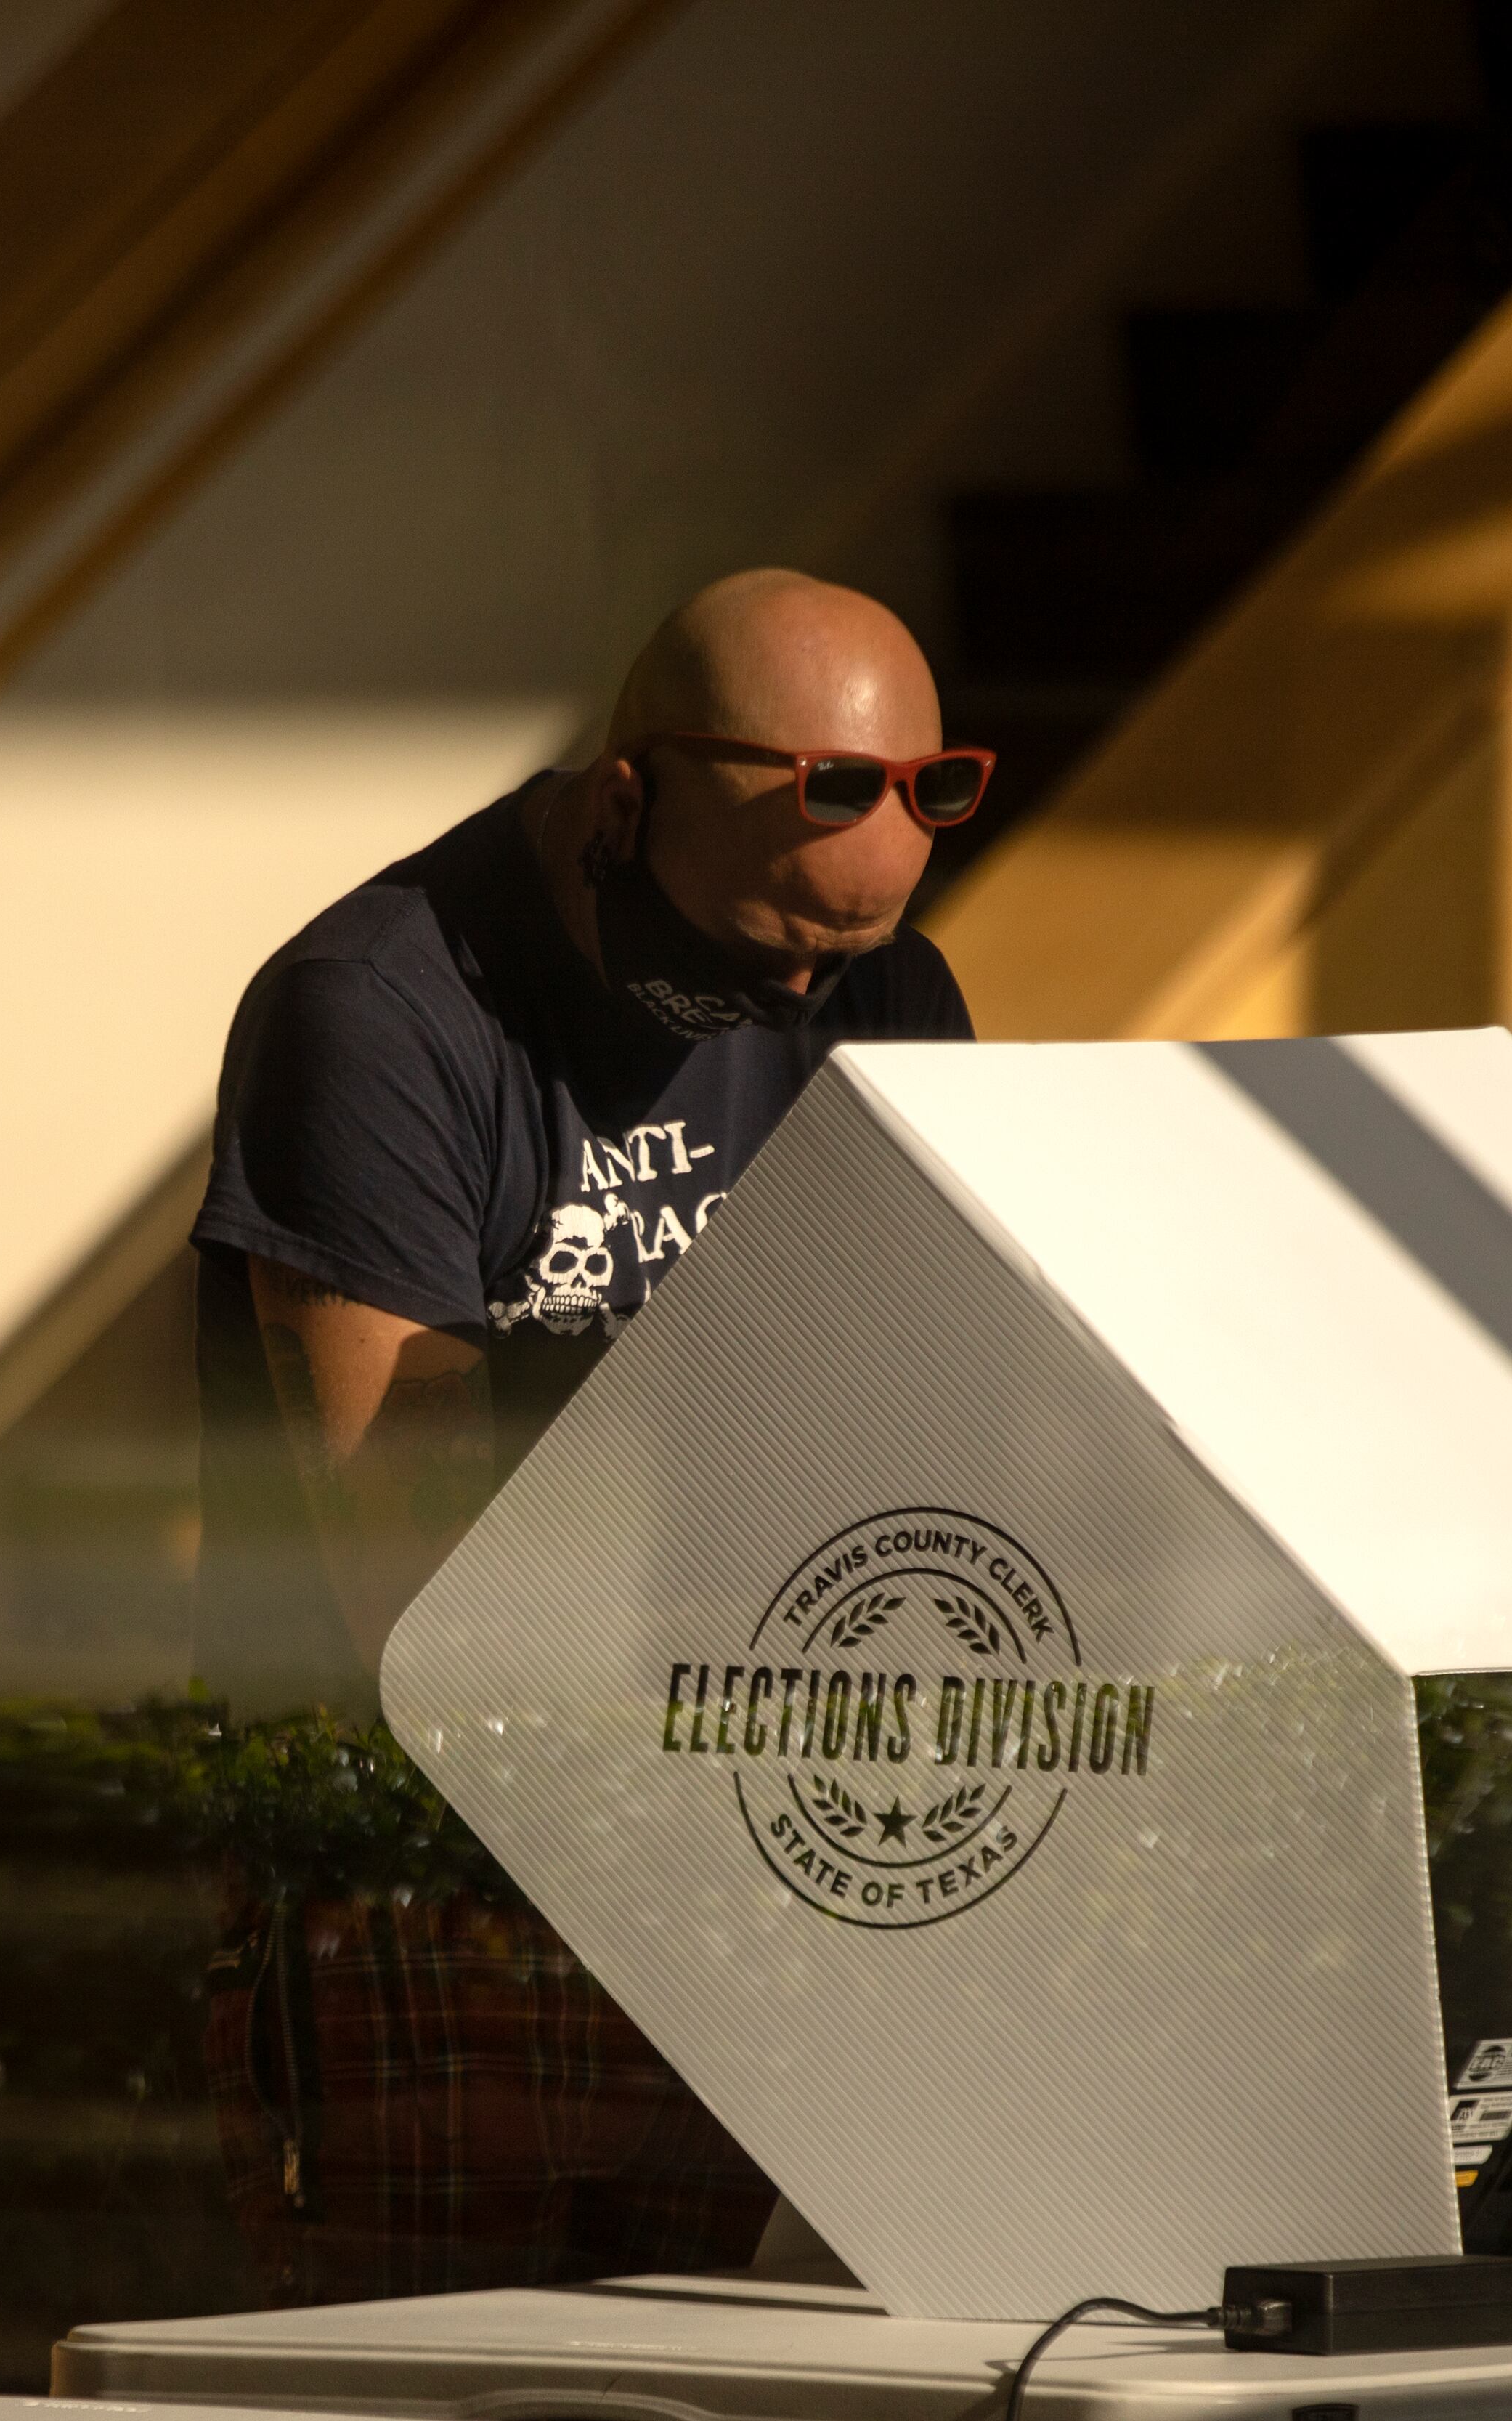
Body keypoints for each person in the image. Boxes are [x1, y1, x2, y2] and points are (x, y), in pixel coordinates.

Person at [190, 569, 980, 2303]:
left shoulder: (877, 986)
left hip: (749, 1828)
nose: (796, 1007)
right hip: (431, 1875)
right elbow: (387, 1569)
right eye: (762, 949)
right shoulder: (383, 1012)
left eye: (842, 961)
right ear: (624, 803)